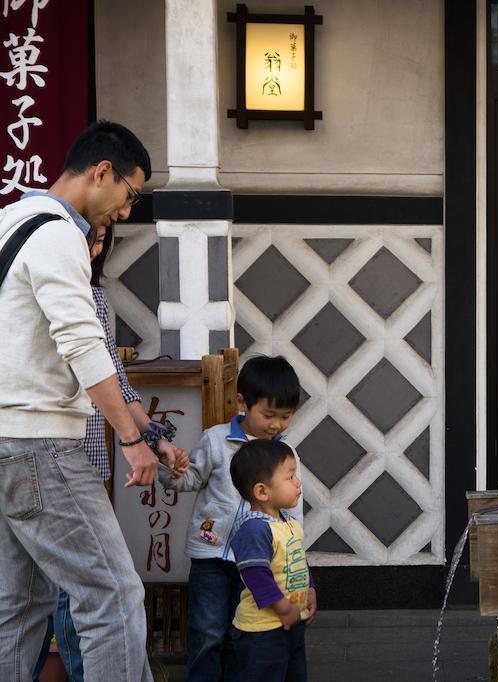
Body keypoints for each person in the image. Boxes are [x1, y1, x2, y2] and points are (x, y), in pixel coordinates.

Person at [0, 120, 158, 681]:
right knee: (112, 595)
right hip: (41, 444)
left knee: (19, 609)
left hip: (5, 440)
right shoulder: (58, 233)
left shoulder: (10, 221)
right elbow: (82, 340)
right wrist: (134, 439)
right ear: (102, 173)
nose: (126, 212)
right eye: (130, 195)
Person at [42, 222, 188, 681]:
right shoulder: (29, 288)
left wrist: (154, 439)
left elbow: (117, 383)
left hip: (87, 458)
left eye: (102, 239)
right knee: (54, 589)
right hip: (37, 451)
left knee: (79, 586)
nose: (94, 248)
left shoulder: (96, 299)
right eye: (90, 237)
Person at [158, 355, 303, 681]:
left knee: (246, 633)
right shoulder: (216, 440)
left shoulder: (285, 456)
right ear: (242, 402)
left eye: (285, 416)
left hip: (258, 563)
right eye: (268, 414)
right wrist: (171, 471)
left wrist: (296, 563)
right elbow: (190, 480)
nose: (276, 425)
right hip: (211, 556)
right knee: (207, 631)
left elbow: (292, 511)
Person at [228, 439, 315, 682]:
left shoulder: (287, 523)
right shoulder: (254, 529)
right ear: (262, 491)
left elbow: (298, 559)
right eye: (289, 477)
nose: (298, 483)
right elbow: (256, 575)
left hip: (291, 623)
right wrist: (284, 608)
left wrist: (310, 589)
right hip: (262, 632)